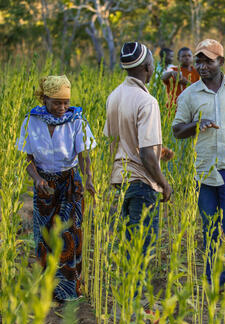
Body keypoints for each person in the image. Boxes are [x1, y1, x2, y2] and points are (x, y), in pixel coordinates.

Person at [172, 39, 225, 288]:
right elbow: (177, 130)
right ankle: (214, 283)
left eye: (208, 60)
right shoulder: (189, 94)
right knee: (209, 230)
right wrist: (196, 125)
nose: (202, 65)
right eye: (199, 60)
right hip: (205, 170)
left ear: (221, 62)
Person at [17, 75, 96, 302]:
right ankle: (47, 289)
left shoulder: (76, 120)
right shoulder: (31, 121)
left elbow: (84, 155)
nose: (63, 107)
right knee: (44, 234)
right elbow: (26, 158)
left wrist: (88, 178)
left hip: (70, 181)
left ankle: (68, 290)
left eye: (66, 102)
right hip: (44, 184)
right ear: (45, 99)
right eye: (57, 103)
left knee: (69, 234)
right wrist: (37, 178)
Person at [104, 42, 173, 260]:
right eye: (152, 62)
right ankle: (136, 294)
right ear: (146, 67)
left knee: (128, 244)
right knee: (141, 249)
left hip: (122, 180)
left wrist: (159, 151)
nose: (153, 66)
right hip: (142, 183)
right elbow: (144, 153)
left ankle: (128, 292)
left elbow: (118, 139)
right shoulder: (147, 101)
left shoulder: (114, 96)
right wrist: (163, 183)